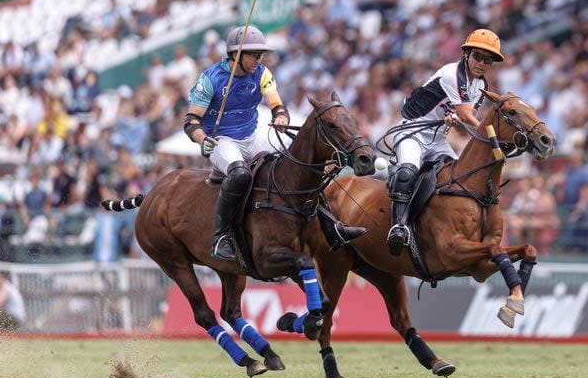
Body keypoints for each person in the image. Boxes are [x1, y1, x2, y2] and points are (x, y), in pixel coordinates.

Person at [185, 26, 363, 260]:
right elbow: (191, 121)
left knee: (299, 165)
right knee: (239, 175)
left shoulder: (262, 73)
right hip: (222, 140)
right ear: (235, 55)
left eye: (261, 55)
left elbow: (277, 105)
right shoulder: (210, 79)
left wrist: (280, 117)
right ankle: (222, 236)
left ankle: (330, 225)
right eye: (254, 55)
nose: (259, 60)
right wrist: (203, 140)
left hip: (253, 136)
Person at [386, 28, 505, 256]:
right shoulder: (452, 74)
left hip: (437, 137)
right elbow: (468, 116)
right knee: (408, 172)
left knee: (458, 178)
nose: (481, 63)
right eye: (478, 56)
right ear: (467, 55)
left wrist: (456, 119)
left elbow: (464, 120)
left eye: (488, 60)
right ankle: (398, 226)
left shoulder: (481, 86)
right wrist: (493, 140)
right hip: (412, 131)